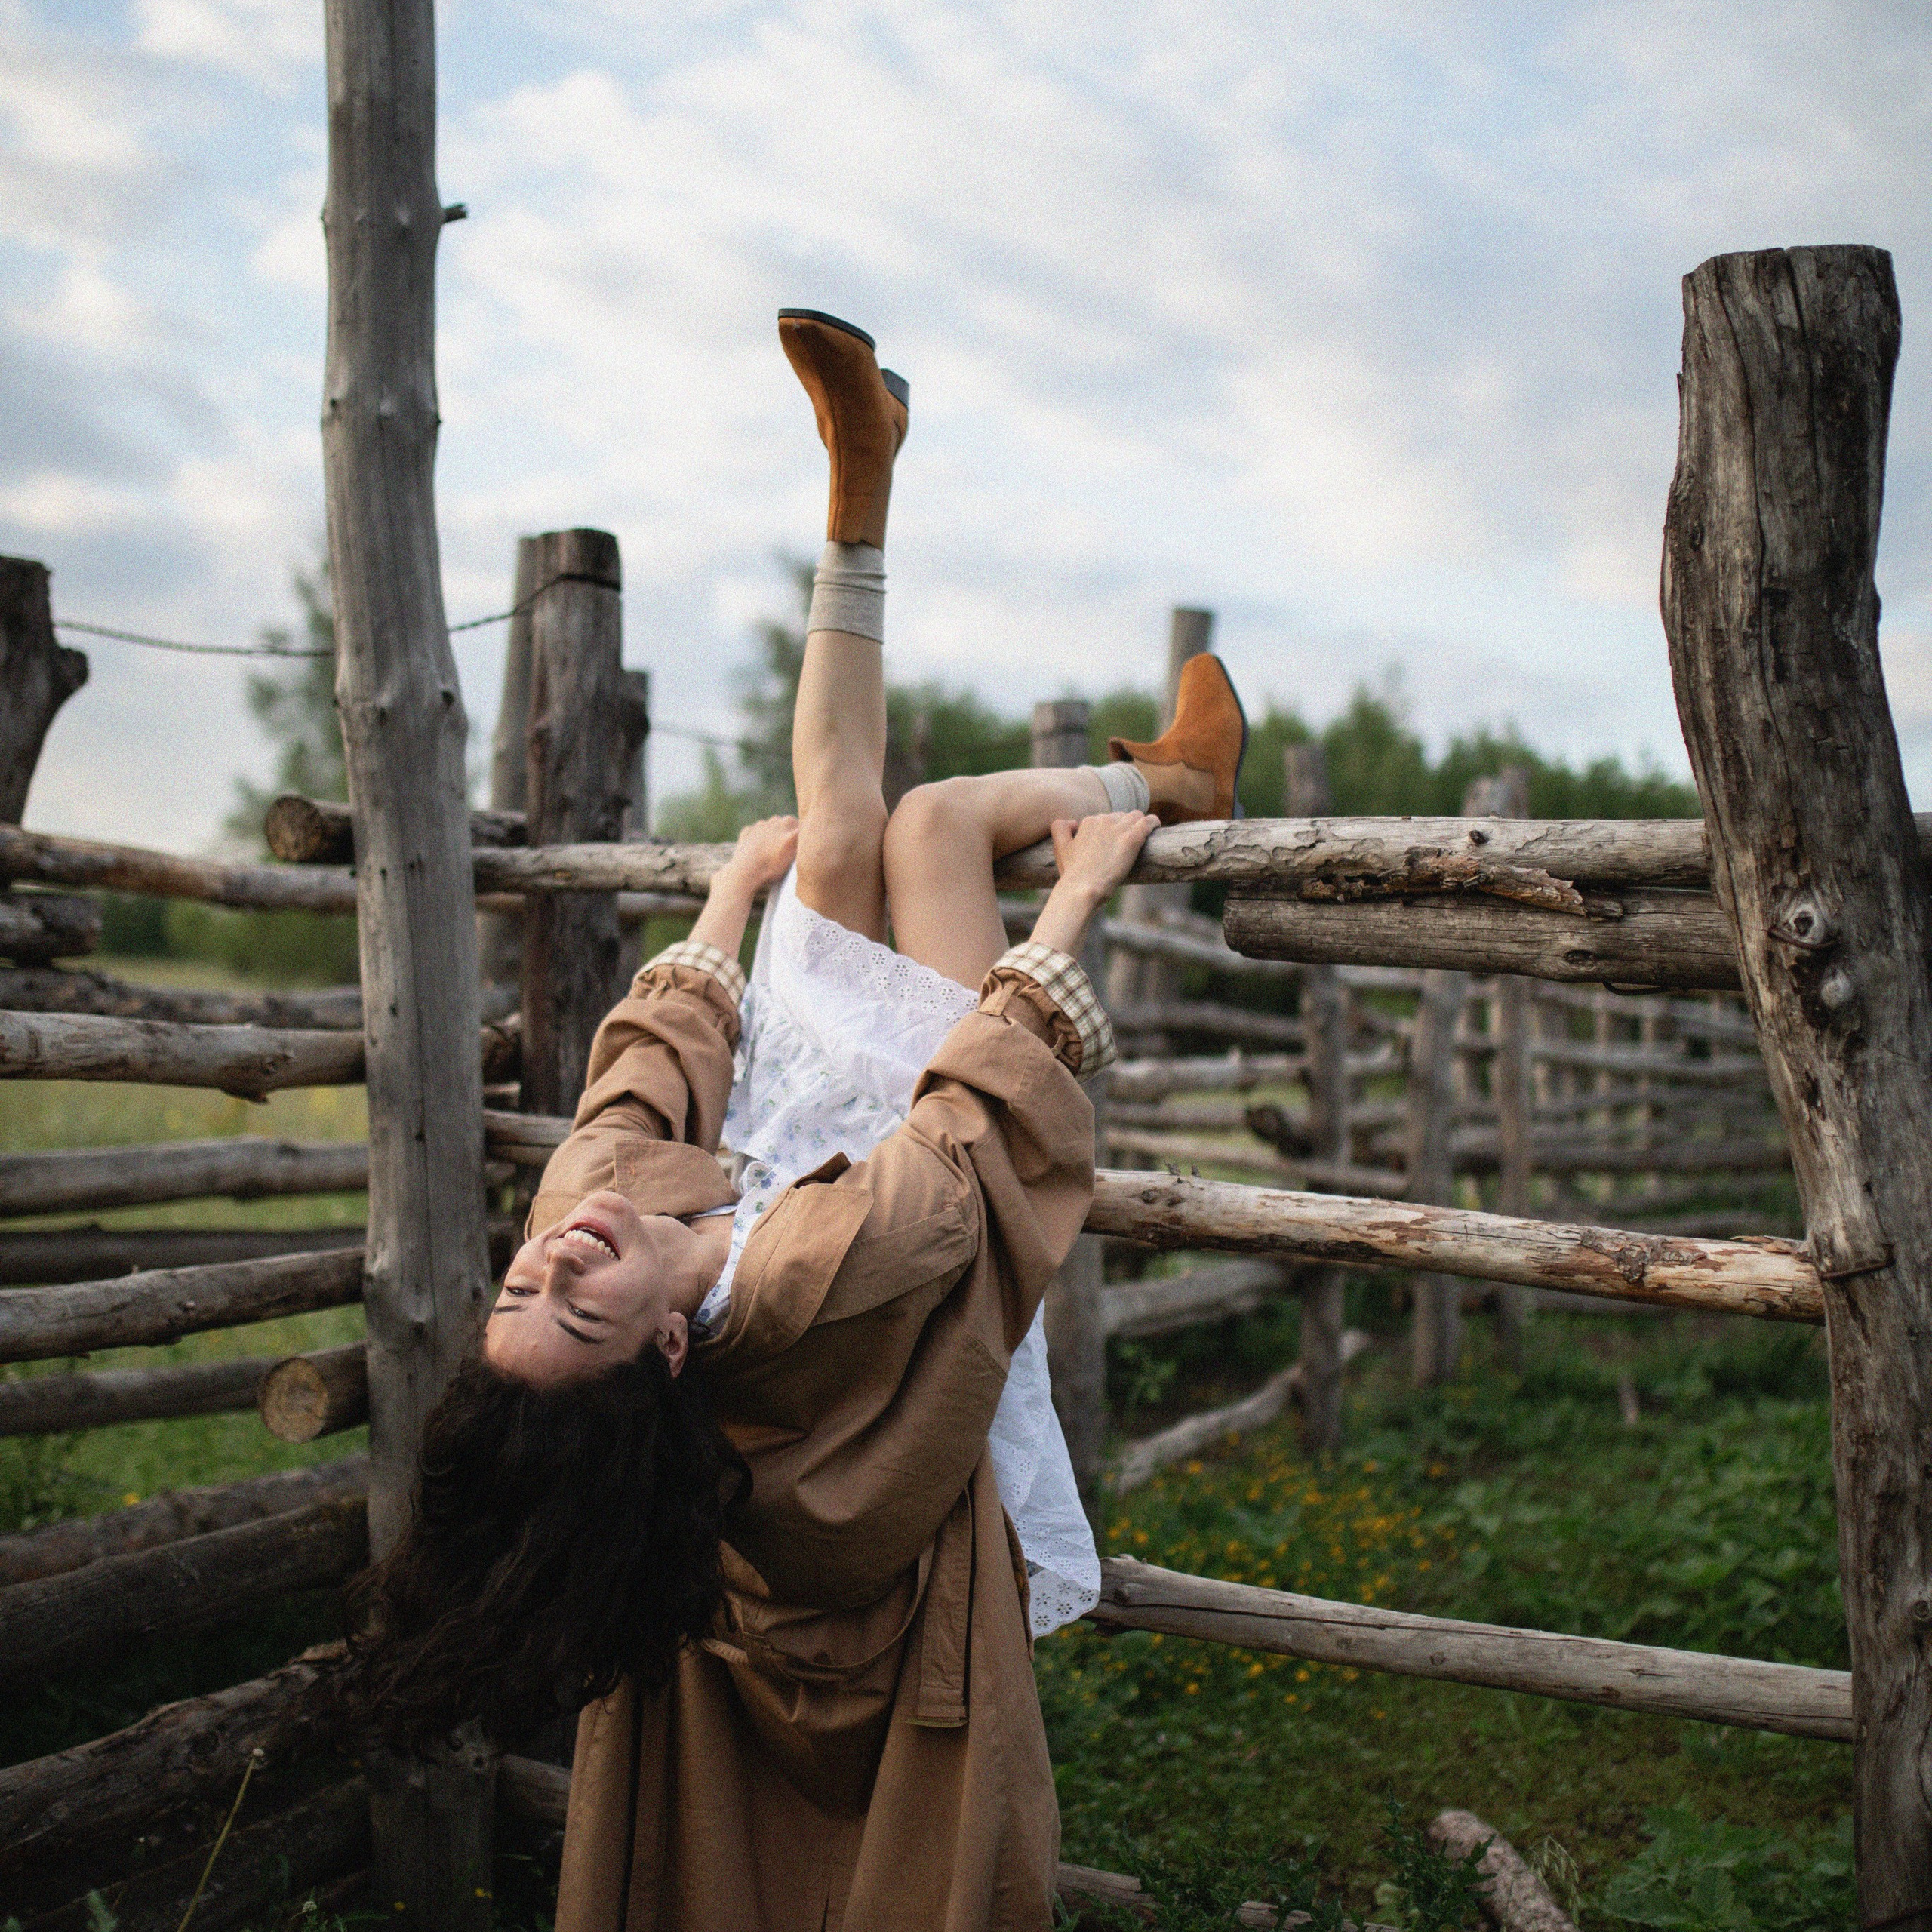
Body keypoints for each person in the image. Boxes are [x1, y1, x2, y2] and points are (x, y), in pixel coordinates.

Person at [349, 310, 1247, 1931]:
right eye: (579, 1296)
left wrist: (724, 895)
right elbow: (967, 1142)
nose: (556, 1252)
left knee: (831, 817)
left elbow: (633, 1094)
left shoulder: (611, 1228)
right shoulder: (799, 1284)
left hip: (801, 1121)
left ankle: (859, 477)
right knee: (939, 818)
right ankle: (1177, 789)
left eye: (519, 1282)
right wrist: (1067, 929)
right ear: (672, 1351)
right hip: (915, 1160)